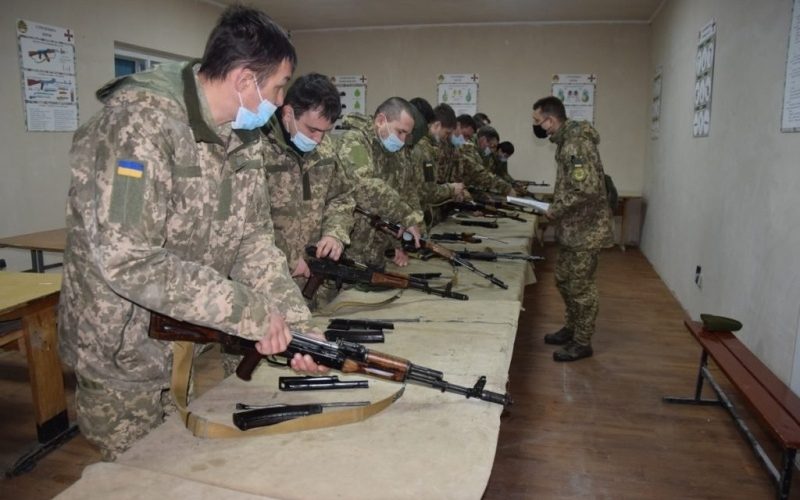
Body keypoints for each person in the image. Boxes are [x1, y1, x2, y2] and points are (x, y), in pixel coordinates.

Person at [58, 6, 323, 460]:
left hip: (179, 337)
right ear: (245, 80)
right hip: (121, 347)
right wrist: (250, 312)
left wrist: (296, 324)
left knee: (176, 461)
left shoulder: (241, 138)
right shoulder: (138, 125)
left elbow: (253, 243)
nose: (281, 102)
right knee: (134, 474)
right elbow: (129, 258)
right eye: (280, 87)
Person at [260, 73, 355, 308]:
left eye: (325, 131)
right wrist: (289, 258)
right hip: (269, 284)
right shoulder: (258, 149)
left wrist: (334, 234)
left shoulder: (325, 148)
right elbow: (248, 220)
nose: (319, 139)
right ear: (288, 113)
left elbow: (341, 197)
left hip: (316, 283)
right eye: (312, 129)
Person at [532, 96, 614, 361]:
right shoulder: (566, 141)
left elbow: (585, 189)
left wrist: (555, 209)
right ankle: (572, 327)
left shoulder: (575, 144)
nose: (537, 126)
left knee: (581, 287)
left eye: (538, 121)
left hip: (586, 230)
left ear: (550, 120)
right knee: (564, 279)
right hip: (573, 228)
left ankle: (582, 341)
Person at [337, 97, 423, 268]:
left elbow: (403, 192)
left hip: (377, 253)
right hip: (348, 250)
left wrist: (398, 244)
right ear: (381, 121)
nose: (402, 140)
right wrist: (406, 216)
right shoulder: (354, 141)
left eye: (406, 135)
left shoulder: (396, 152)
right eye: (400, 132)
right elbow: (365, 187)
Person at [408, 98, 466, 226]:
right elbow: (428, 191)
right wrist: (452, 189)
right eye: (447, 133)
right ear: (437, 125)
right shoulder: (424, 150)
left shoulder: (423, 145)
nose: (447, 137)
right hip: (415, 217)